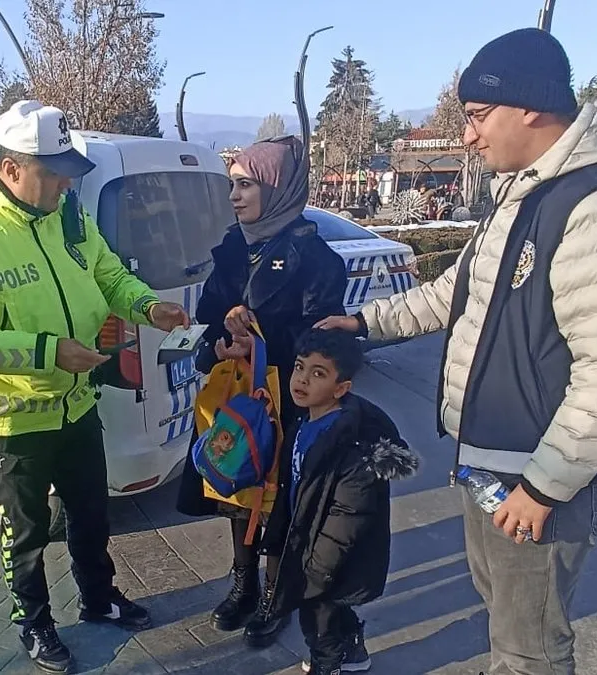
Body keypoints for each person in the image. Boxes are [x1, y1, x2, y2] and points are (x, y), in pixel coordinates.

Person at [318, 28, 597, 675]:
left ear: (530, 106)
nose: (469, 136)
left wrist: (544, 485)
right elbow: (457, 292)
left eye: (477, 117)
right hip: (491, 463)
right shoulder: (525, 192)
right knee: (504, 611)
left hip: (540, 475)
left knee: (530, 640)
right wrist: (363, 323)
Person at [0, 100, 190, 674]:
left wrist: (147, 306)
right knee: (25, 534)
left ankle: (99, 597)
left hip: (77, 404)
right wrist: (51, 352)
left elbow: (108, 274)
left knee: (90, 514)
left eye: (69, 170)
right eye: (52, 171)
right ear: (10, 167)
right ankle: (36, 625)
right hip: (14, 420)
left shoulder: (67, 211)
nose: (66, 182)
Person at [175, 135, 348, 648]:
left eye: (246, 185)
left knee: (277, 501)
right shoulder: (232, 246)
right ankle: (242, 583)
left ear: (277, 188)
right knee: (237, 486)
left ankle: (276, 593)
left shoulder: (317, 259)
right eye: (232, 184)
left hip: (289, 402)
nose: (235, 195)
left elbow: (320, 344)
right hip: (237, 397)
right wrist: (222, 341)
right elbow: (208, 318)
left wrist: (262, 340)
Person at [259, 329, 416, 675]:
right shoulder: (305, 421)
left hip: (330, 558)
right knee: (332, 611)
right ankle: (354, 652)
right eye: (300, 368)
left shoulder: (351, 449)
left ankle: (326, 664)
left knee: (317, 622)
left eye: (318, 374)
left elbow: (348, 516)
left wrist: (317, 569)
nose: (301, 380)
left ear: (341, 388)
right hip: (313, 544)